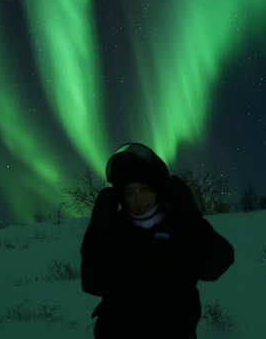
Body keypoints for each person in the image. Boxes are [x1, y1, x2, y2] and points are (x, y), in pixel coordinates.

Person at [81, 143, 234, 338]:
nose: (139, 199)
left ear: (157, 189)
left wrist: (190, 217)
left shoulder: (178, 224)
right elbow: (93, 282)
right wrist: (98, 231)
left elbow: (214, 265)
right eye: (130, 192)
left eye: (144, 189)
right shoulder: (114, 229)